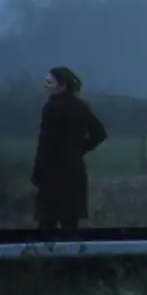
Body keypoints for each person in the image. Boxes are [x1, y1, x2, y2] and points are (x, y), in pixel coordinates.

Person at [31, 66, 108, 231]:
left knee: (46, 226)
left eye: (49, 82)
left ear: (62, 85)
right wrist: (80, 149)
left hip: (51, 174)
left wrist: (37, 172)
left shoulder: (50, 109)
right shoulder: (82, 107)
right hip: (74, 172)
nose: (46, 86)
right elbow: (100, 133)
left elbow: (45, 144)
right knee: (70, 225)